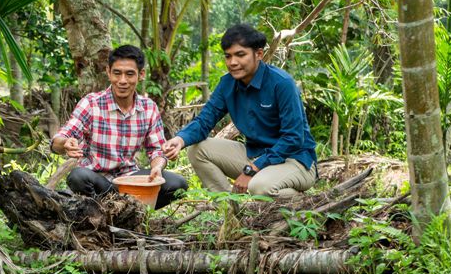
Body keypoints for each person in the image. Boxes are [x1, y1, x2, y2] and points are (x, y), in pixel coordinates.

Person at [161, 23, 317, 198]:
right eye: (228, 56)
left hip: (295, 160)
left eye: (240, 55)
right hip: (255, 155)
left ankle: (300, 200)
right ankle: (230, 208)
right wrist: (180, 140)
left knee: (258, 187)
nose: (233, 62)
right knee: (197, 150)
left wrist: (252, 170)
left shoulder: (282, 83)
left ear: (259, 54)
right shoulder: (227, 84)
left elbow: (294, 138)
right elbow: (205, 119)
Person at [51, 44, 187, 209]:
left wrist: (157, 167)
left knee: (177, 184)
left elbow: (156, 150)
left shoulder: (148, 107)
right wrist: (65, 144)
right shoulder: (91, 103)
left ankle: (132, 213)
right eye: (117, 73)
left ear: (141, 74)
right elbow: (60, 139)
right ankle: (101, 215)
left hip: (130, 180)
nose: (123, 81)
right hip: (97, 181)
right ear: (108, 72)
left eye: (130, 74)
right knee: (78, 176)